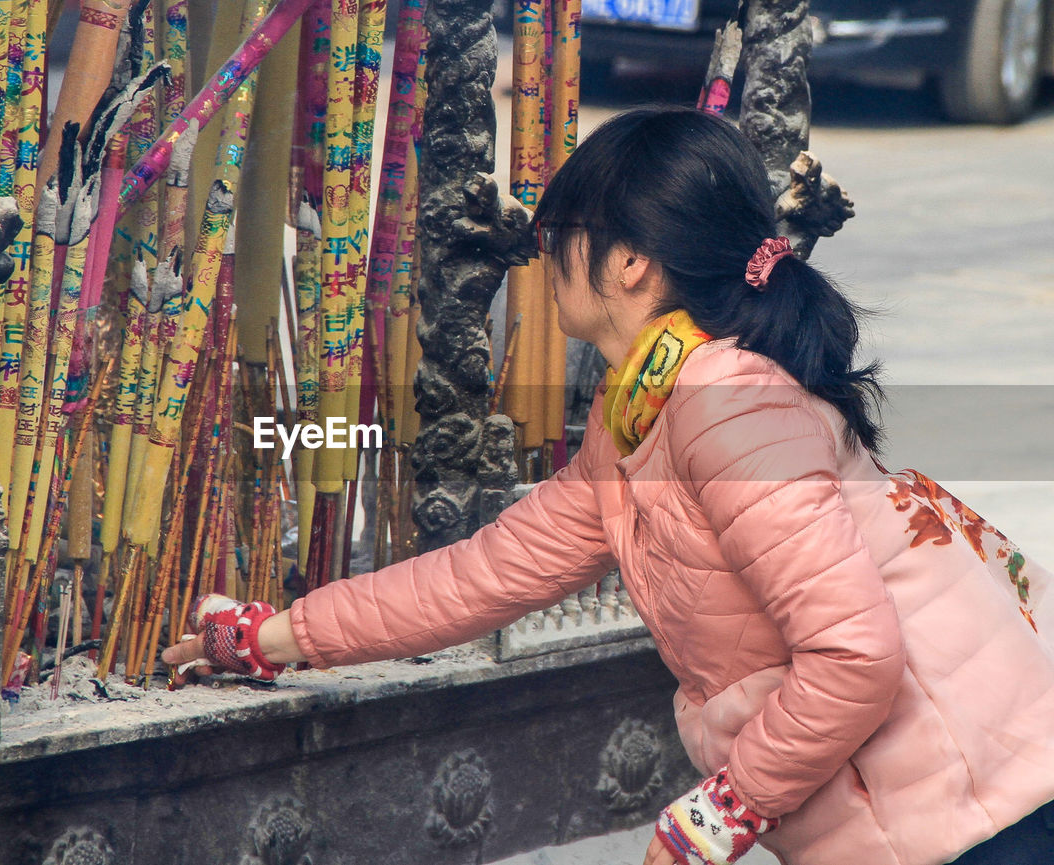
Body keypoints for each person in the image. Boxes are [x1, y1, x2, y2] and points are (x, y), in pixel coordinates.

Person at [161, 106, 1054, 865]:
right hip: (926, 811)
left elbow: (855, 657)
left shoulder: (726, 404)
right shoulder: (642, 412)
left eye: (563, 236)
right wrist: (273, 637)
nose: (546, 259)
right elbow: (481, 575)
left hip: (987, 801)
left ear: (629, 262)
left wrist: (719, 814)